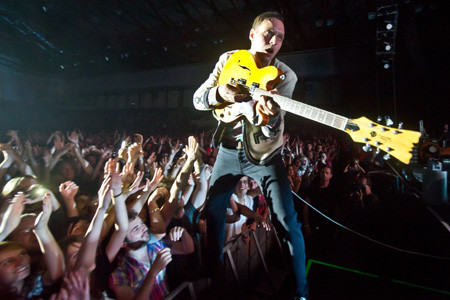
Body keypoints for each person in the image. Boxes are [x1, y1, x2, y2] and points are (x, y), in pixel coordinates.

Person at [193, 11, 309, 299]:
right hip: (228, 152)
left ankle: (300, 291)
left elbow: (272, 130)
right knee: (214, 210)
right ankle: (213, 272)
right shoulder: (229, 59)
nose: (274, 40)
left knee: (286, 222)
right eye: (268, 33)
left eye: (280, 37)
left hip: (266, 156)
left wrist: (267, 119)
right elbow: (198, 99)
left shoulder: (285, 75)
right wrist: (222, 93)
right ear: (252, 34)